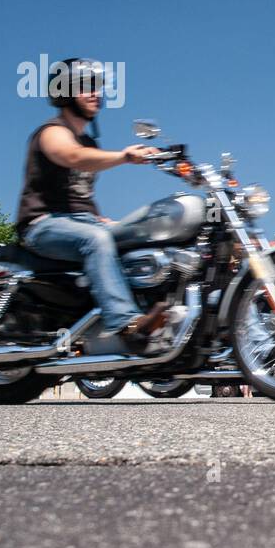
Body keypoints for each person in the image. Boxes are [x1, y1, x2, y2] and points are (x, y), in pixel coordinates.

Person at [15, 58, 167, 352]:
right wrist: (124, 157)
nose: (96, 93)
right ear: (64, 92)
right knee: (95, 240)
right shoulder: (52, 131)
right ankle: (127, 325)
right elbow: (72, 157)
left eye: (98, 87)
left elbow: (80, 195)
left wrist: (102, 219)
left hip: (78, 222)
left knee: (135, 236)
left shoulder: (89, 142)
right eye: (86, 86)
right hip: (41, 225)